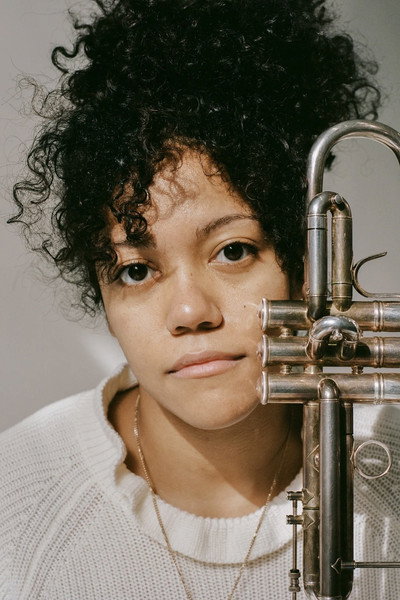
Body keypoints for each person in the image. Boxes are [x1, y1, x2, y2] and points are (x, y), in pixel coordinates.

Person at [1, 0, 399, 598]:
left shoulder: (388, 466)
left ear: (307, 262)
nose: (191, 313)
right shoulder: (16, 503)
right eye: (136, 271)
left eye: (233, 251)